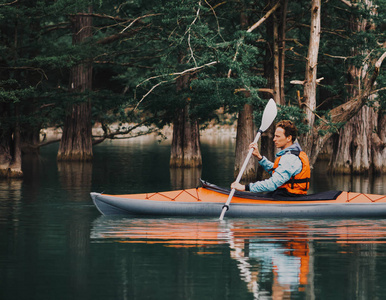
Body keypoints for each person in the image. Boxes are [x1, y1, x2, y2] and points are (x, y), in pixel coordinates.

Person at [231, 120, 310, 197]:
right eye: (275, 136)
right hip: (287, 193)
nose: (274, 139)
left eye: (277, 136)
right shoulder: (290, 155)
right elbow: (276, 169)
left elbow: (272, 184)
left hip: (289, 196)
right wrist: (260, 157)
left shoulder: (290, 158)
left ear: (289, 138)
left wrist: (245, 187)